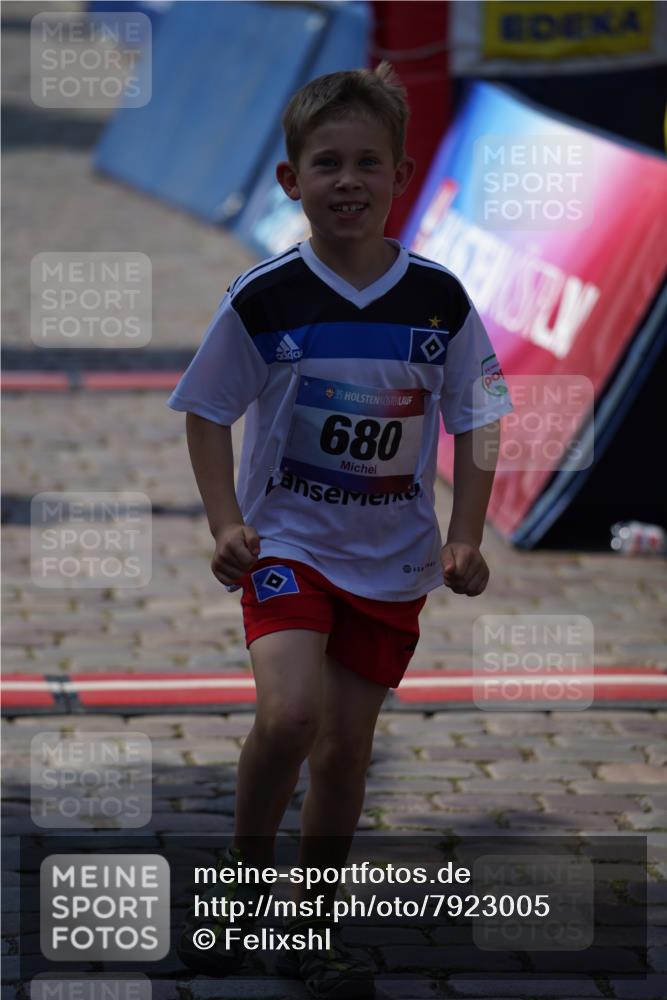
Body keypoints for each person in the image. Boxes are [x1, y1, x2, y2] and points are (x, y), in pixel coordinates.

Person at [167, 61, 514, 999]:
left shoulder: (438, 302)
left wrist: (465, 534)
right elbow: (206, 409)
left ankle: (312, 924)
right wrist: (226, 522)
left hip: (393, 561)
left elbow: (479, 413)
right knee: (287, 716)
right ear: (290, 181)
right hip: (287, 547)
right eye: (327, 164)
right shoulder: (265, 297)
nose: (348, 181)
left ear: (404, 177)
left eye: (369, 163)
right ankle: (245, 888)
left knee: (345, 750)